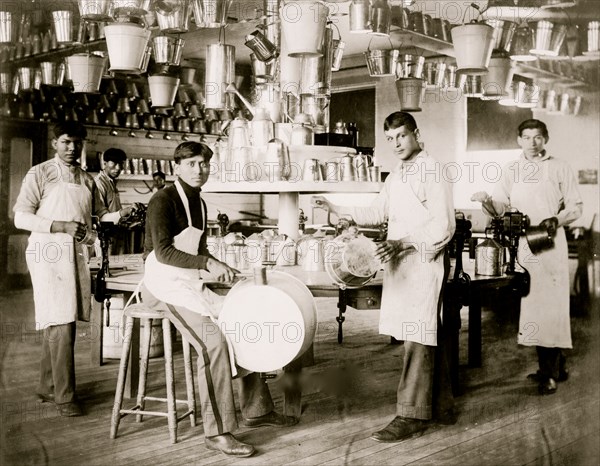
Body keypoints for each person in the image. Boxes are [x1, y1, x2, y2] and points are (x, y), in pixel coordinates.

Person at [141, 141, 296, 458]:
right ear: (177, 167)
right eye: (192, 163)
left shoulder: (199, 202)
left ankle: (258, 408)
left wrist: (219, 265)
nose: (200, 169)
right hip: (162, 285)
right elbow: (164, 252)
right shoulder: (163, 200)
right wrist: (207, 265)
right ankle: (218, 432)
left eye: (204, 164)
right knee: (214, 344)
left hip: (187, 281)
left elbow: (197, 252)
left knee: (241, 323)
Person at [313, 111, 456, 443]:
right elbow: (377, 213)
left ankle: (411, 415)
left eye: (401, 137)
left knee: (420, 337)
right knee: (417, 335)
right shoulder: (396, 177)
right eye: (390, 140)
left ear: (416, 134)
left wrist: (402, 242)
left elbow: (443, 227)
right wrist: (338, 208)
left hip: (422, 264)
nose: (396, 144)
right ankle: (443, 406)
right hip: (399, 266)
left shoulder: (434, 171)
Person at [13, 121, 122, 417]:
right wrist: (59, 225)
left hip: (74, 253)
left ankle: (48, 385)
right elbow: (20, 218)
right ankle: (64, 396)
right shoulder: (40, 173)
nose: (72, 148)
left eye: (77, 142)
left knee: (60, 319)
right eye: (65, 142)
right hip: (47, 252)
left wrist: (124, 214)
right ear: (54, 143)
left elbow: (100, 216)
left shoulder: (87, 179)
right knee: (61, 320)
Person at [471, 118, 583, 395]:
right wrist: (485, 200)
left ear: (546, 139)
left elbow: (576, 206)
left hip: (550, 242)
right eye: (527, 137)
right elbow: (499, 206)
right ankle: (556, 366)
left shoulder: (560, 167)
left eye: (538, 137)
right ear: (518, 140)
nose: (533, 142)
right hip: (523, 246)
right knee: (534, 308)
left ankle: (549, 373)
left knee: (551, 307)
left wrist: (556, 219)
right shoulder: (512, 169)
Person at [94, 148, 140, 254]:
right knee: (107, 266)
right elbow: (100, 217)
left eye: (121, 164)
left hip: (115, 234)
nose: (118, 168)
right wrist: (125, 211)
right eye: (114, 164)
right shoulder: (99, 183)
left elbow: (112, 209)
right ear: (104, 163)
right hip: (104, 238)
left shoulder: (111, 182)